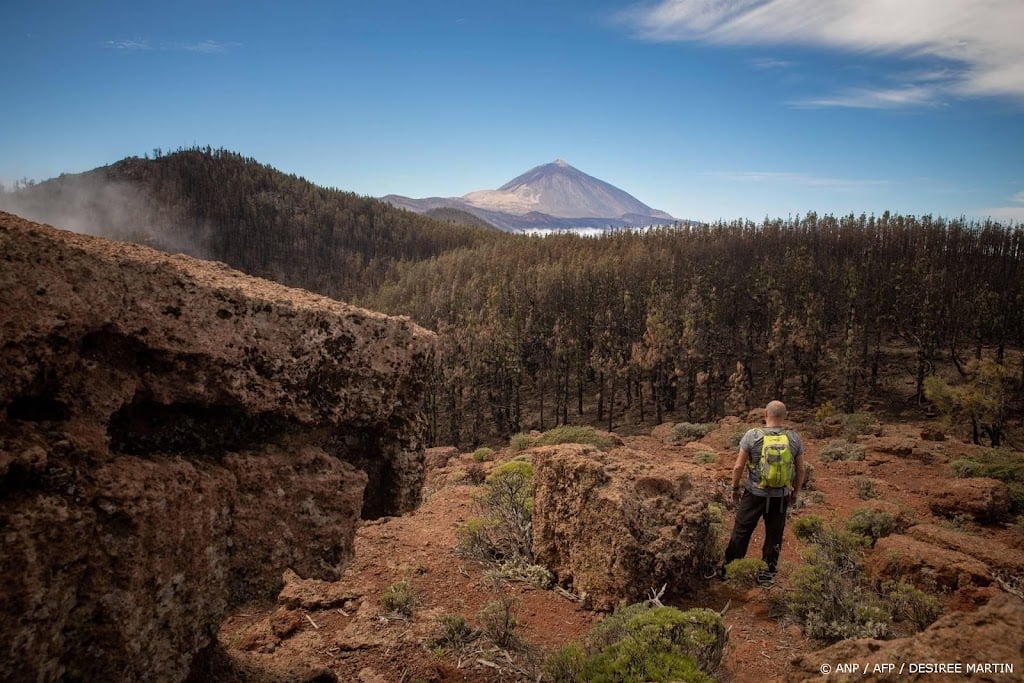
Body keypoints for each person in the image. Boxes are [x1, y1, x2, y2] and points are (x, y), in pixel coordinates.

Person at [716, 400, 804, 584]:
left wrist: (734, 488)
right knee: (774, 535)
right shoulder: (794, 438)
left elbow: (738, 466)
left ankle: (729, 570)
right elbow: (801, 470)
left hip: (754, 493)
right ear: (785, 416)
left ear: (765, 414)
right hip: (780, 496)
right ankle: (767, 575)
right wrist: (795, 493)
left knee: (742, 530)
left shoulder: (752, 435)